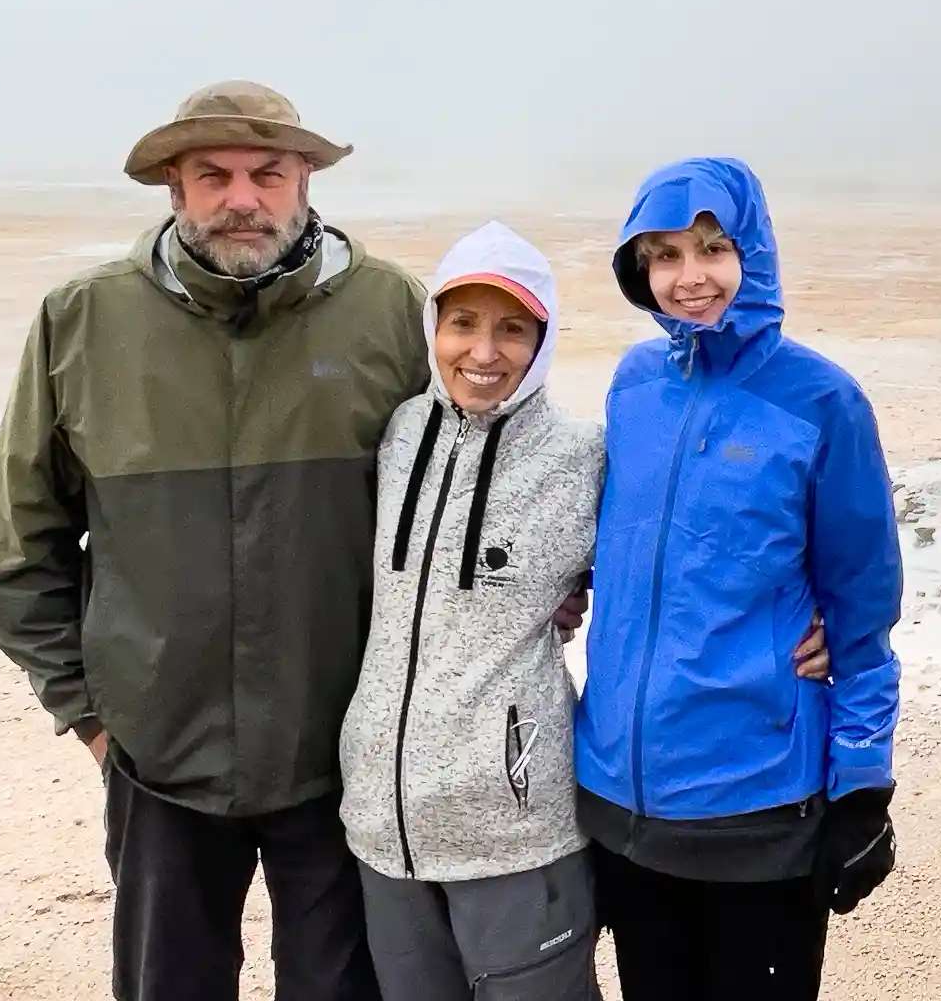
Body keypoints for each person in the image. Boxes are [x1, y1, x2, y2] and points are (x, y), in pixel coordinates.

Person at [0, 81, 430, 1001]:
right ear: (173, 189)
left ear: (306, 180)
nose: (242, 198)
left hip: (341, 747)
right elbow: (20, 547)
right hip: (157, 757)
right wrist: (94, 719)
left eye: (268, 172)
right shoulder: (83, 319)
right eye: (212, 174)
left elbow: (461, 503)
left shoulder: (392, 311)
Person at [338, 221, 836, 1001]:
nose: (483, 352)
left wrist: (820, 612)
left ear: (545, 340)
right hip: (381, 823)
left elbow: (692, 550)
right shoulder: (398, 436)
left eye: (512, 329)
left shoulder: (582, 457)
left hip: (514, 823)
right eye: (461, 323)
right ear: (431, 326)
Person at [575, 157, 905, 1001]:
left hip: (758, 810)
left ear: (751, 253)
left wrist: (863, 783)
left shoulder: (823, 402)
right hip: (624, 803)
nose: (690, 278)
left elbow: (862, 610)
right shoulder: (633, 386)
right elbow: (626, 548)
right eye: (665, 255)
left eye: (713, 249)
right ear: (639, 269)